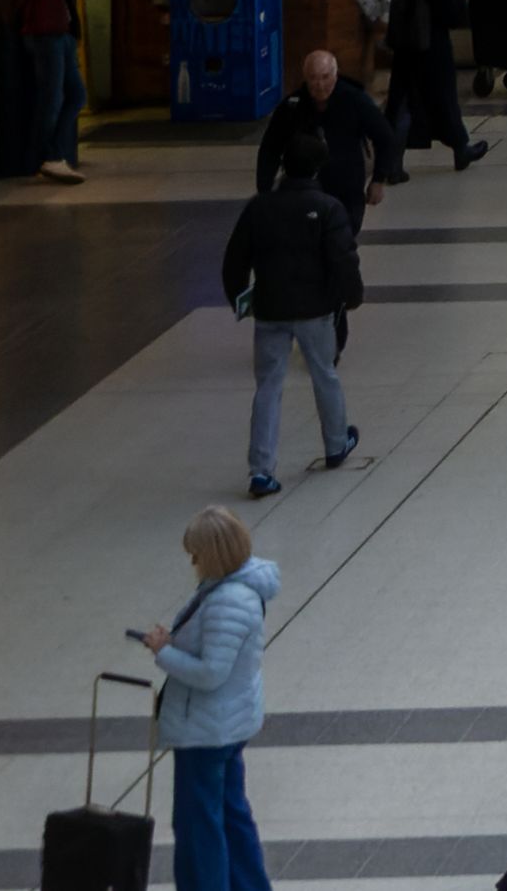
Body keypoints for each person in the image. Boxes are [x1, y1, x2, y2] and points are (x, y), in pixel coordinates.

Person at [138, 504, 280, 891]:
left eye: (196, 552)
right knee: (232, 815)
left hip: (207, 729)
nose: (193, 560)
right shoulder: (234, 589)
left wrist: (163, 651)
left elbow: (210, 673)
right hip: (228, 723)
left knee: (198, 825)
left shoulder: (227, 599)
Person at [220, 154, 366, 496]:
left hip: (270, 310)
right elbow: (343, 257)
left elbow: (234, 260)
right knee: (324, 373)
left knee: (268, 386)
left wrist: (240, 299)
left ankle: (261, 469)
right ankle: (335, 442)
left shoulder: (259, 207)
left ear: (284, 168)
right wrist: (352, 295)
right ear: (317, 168)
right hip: (316, 309)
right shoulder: (327, 207)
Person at [5, 0, 88, 181]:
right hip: (41, 34)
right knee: (50, 97)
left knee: (76, 95)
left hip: (60, 33)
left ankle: (56, 151)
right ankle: (48, 155)